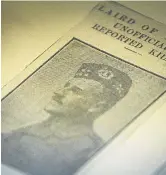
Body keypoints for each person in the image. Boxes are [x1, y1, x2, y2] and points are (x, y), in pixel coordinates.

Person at [2, 63, 132, 175]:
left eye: (75, 91)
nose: (58, 92)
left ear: (96, 106)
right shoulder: (18, 133)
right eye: (66, 86)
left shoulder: (91, 154)